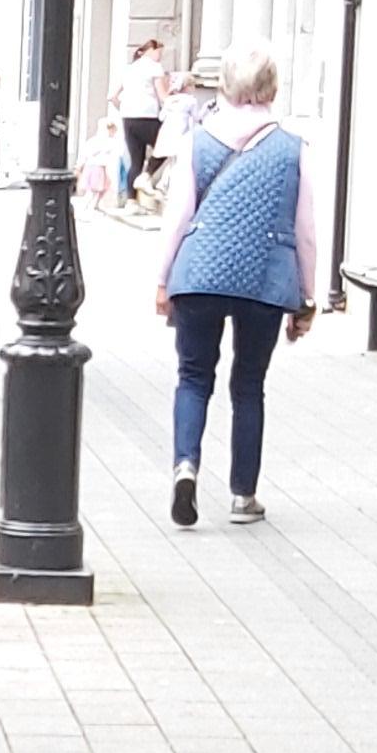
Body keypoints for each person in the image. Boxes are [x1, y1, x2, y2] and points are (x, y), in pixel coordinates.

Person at [156, 43, 318, 527]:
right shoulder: (293, 149)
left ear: (223, 86)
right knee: (248, 384)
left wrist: (163, 279)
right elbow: (305, 228)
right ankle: (243, 496)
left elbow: (177, 216)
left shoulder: (196, 142)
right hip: (266, 277)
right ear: (272, 88)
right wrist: (307, 295)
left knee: (193, 376)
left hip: (199, 273)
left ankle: (186, 465)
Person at [119, 39, 167, 203]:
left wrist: (124, 109)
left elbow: (112, 96)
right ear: (151, 50)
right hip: (148, 115)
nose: (160, 57)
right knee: (165, 146)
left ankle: (131, 201)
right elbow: (163, 97)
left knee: (135, 161)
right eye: (160, 52)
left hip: (128, 117)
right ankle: (147, 176)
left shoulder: (129, 69)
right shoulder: (154, 68)